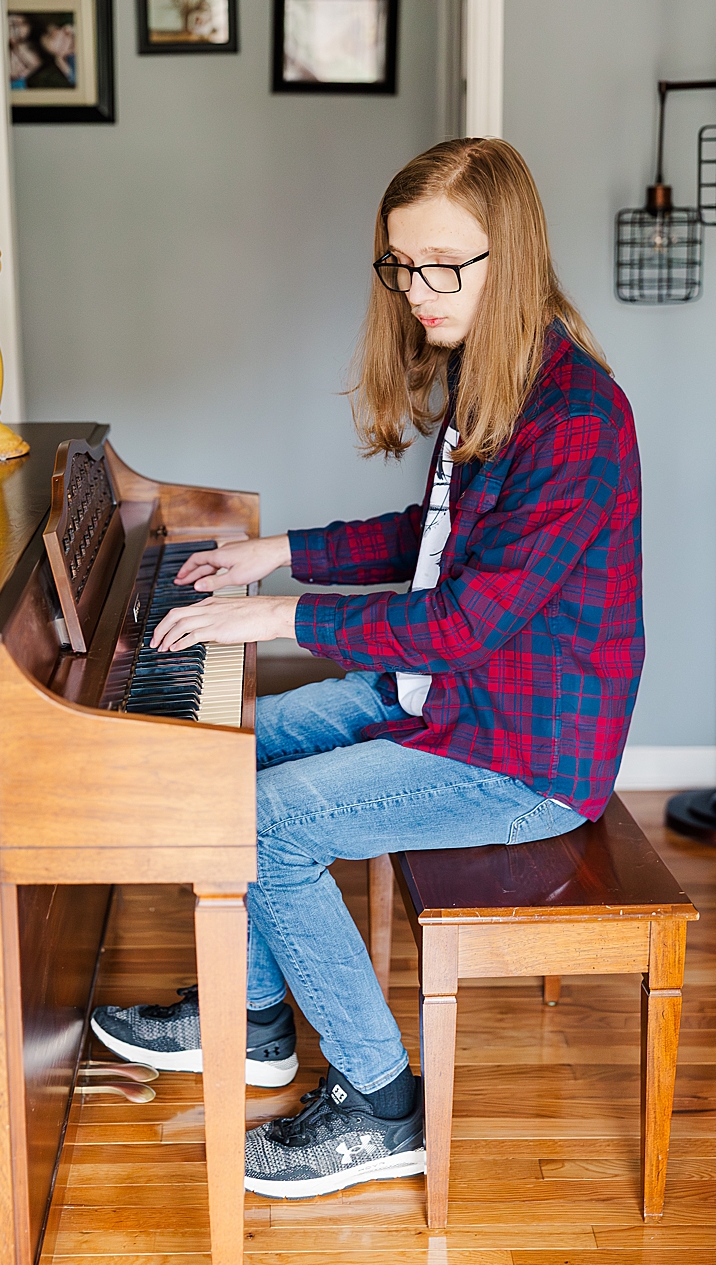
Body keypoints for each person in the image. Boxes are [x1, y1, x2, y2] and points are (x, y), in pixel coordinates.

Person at [91, 138, 644, 1199]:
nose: (419, 291)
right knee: (219, 772)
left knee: (267, 820)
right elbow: (429, 537)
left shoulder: (575, 418)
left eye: (446, 264)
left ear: (512, 254)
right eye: (401, 264)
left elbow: (464, 619)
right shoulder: (494, 372)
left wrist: (278, 616)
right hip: (437, 705)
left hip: (520, 751)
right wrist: (281, 551)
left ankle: (381, 1105)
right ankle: (249, 1019)